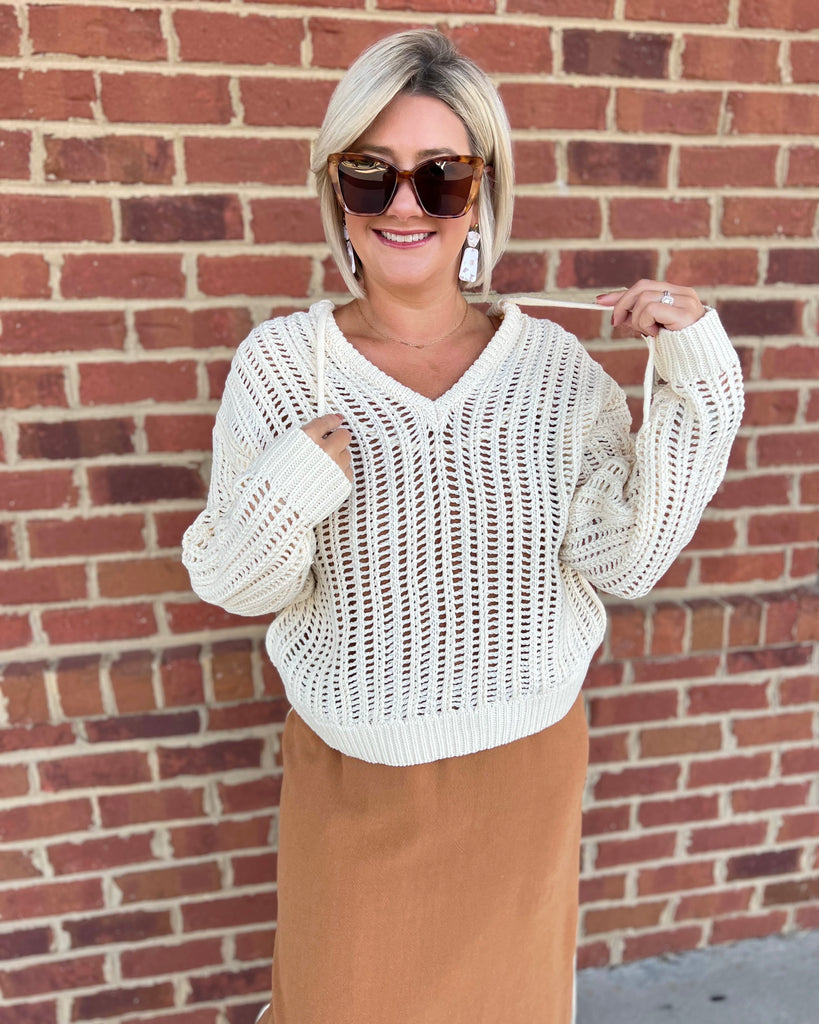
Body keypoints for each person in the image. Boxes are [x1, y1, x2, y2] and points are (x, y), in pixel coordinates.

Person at [182, 29, 744, 1024]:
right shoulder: (283, 368)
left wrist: (696, 378)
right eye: (371, 173)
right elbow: (236, 582)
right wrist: (290, 485)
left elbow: (627, 559)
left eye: (441, 176)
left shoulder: (553, 369)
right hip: (355, 784)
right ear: (336, 191)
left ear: (481, 195)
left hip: (523, 775)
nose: (405, 204)